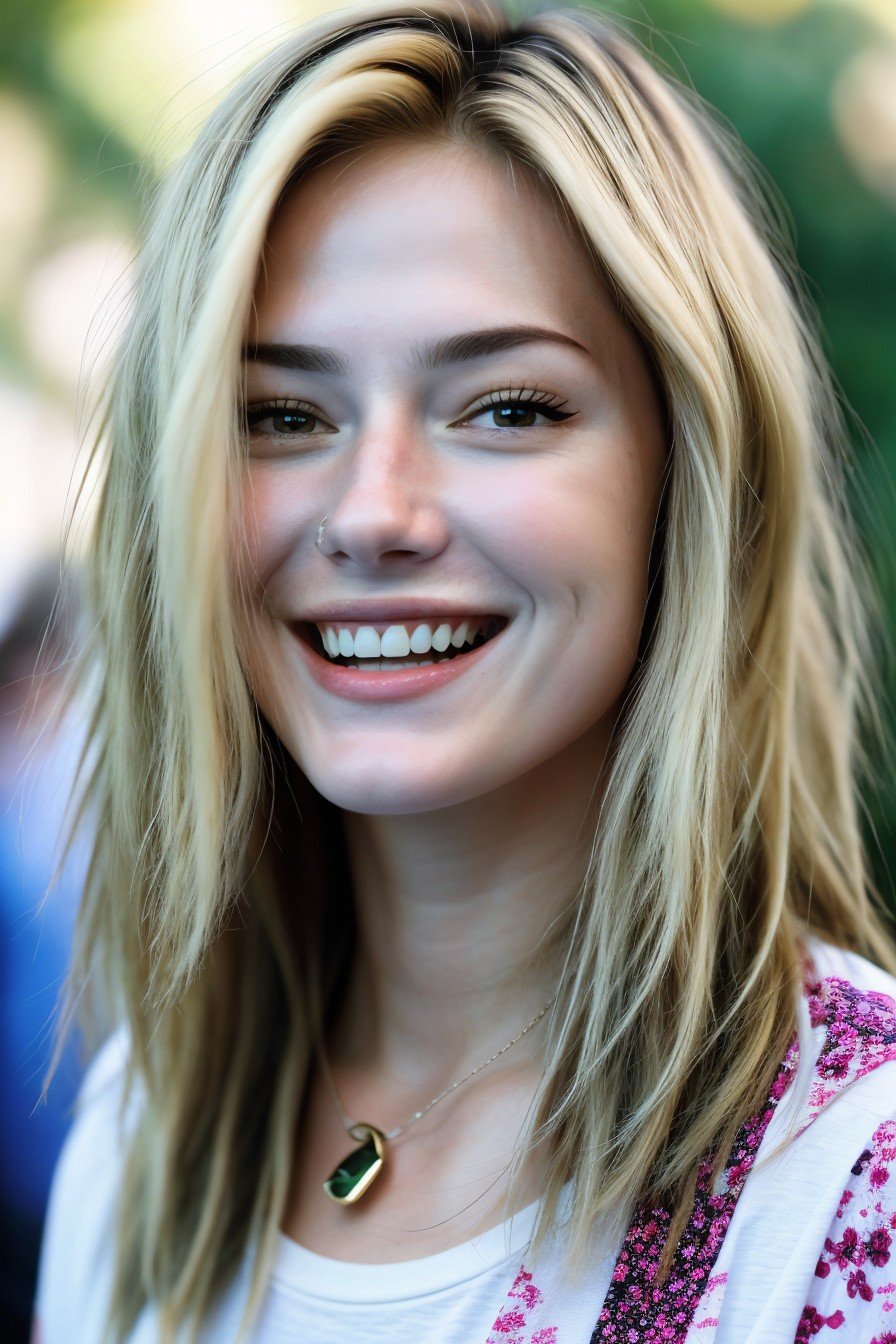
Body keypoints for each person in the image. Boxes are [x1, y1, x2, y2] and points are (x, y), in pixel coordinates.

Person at [31, 0, 896, 1340]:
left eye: (506, 408)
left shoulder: (856, 1186)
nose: (375, 511)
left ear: (688, 480)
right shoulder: (143, 1134)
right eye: (281, 416)